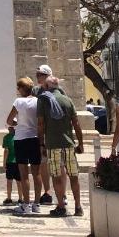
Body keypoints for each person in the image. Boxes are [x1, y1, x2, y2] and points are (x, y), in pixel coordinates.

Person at [37, 75, 84, 217]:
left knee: (57, 177)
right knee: (74, 176)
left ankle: (61, 207)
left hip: (53, 144)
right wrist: (80, 143)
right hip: (69, 144)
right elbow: (76, 123)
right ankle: (78, 207)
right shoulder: (68, 100)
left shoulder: (43, 100)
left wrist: (41, 143)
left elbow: (40, 124)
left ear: (47, 86)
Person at [6, 76, 42, 216]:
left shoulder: (18, 102)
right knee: (36, 173)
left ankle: (26, 204)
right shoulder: (38, 102)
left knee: (24, 173)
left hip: (21, 139)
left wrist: (18, 124)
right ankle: (37, 203)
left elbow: (9, 120)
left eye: (18, 88)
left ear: (21, 88)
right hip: (34, 138)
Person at [31, 64, 62, 204]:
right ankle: (47, 192)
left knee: (61, 164)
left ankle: (63, 194)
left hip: (55, 132)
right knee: (44, 163)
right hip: (42, 133)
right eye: (37, 74)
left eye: (40, 74)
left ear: (48, 75)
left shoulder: (59, 91)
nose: (38, 76)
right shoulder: (36, 91)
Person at [2, 125, 21, 205]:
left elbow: (6, 151)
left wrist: (4, 162)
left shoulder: (6, 137)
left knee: (9, 181)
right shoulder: (20, 137)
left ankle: (9, 198)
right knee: (19, 181)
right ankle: (21, 198)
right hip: (19, 162)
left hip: (10, 162)